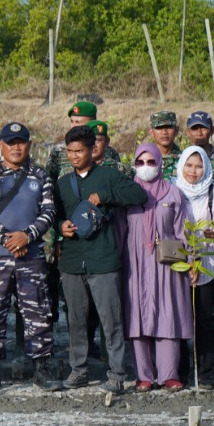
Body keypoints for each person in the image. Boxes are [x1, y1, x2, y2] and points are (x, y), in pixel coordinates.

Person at [0, 123, 61, 392]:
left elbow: (48, 213)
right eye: (10, 142)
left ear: (29, 145)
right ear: (0, 145)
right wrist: (9, 239)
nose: (16, 147)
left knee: (38, 312)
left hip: (31, 256)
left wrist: (28, 235)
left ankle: (41, 368)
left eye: (21, 142)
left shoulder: (41, 176)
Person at [56, 125, 146, 392]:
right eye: (70, 151)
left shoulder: (109, 175)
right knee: (75, 319)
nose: (74, 156)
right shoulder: (62, 182)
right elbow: (53, 216)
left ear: (92, 150)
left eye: (79, 151)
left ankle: (117, 374)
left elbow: (139, 195)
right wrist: (61, 227)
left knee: (111, 320)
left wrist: (106, 196)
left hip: (103, 259)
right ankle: (78, 370)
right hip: (72, 261)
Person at [122, 143, 194, 390]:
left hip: (166, 265)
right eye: (140, 163)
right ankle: (143, 375)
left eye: (151, 162)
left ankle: (169, 374)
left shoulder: (172, 193)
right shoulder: (127, 193)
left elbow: (183, 229)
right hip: (134, 264)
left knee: (168, 314)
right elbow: (120, 230)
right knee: (136, 317)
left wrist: (192, 260)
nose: (146, 167)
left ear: (160, 164)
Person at [172, 145, 214, 387]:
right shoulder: (172, 188)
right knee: (179, 318)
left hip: (206, 263)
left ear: (206, 168)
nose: (193, 171)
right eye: (189, 165)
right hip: (178, 263)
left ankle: (204, 373)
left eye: (198, 166)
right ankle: (181, 371)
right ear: (182, 166)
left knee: (203, 319)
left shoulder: (211, 191)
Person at [46, 100, 119, 182]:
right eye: (72, 121)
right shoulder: (58, 150)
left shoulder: (109, 152)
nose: (73, 126)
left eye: (78, 122)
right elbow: (49, 180)